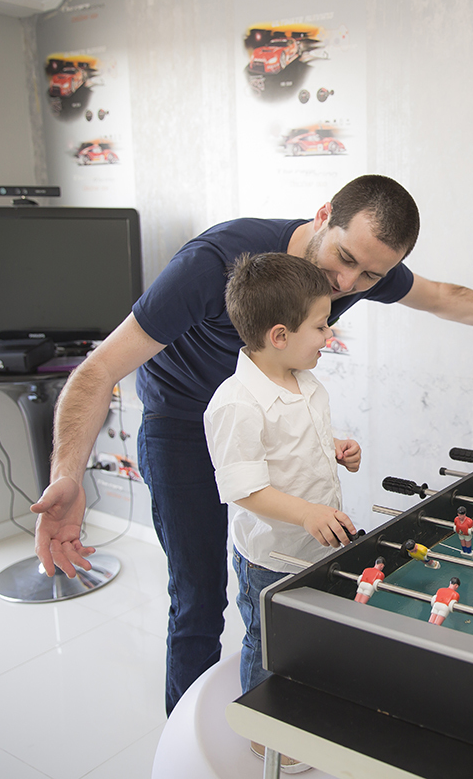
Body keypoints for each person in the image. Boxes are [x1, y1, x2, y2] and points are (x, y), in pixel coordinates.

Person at [31, 175, 473, 714]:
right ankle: (184, 745)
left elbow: (440, 296)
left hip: (266, 419)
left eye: (371, 277)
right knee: (198, 600)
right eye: (346, 260)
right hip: (182, 423)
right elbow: (98, 370)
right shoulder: (214, 263)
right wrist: (68, 475)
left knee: (280, 586)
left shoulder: (364, 270)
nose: (347, 286)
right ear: (323, 215)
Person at [201, 252, 353, 774]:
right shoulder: (236, 404)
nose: (329, 335)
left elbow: (295, 445)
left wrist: (334, 448)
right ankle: (265, 734)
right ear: (280, 335)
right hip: (270, 556)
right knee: (268, 643)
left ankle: (302, 707)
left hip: (315, 547)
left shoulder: (306, 382)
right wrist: (307, 512)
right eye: (321, 326)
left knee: (306, 636)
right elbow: (244, 489)